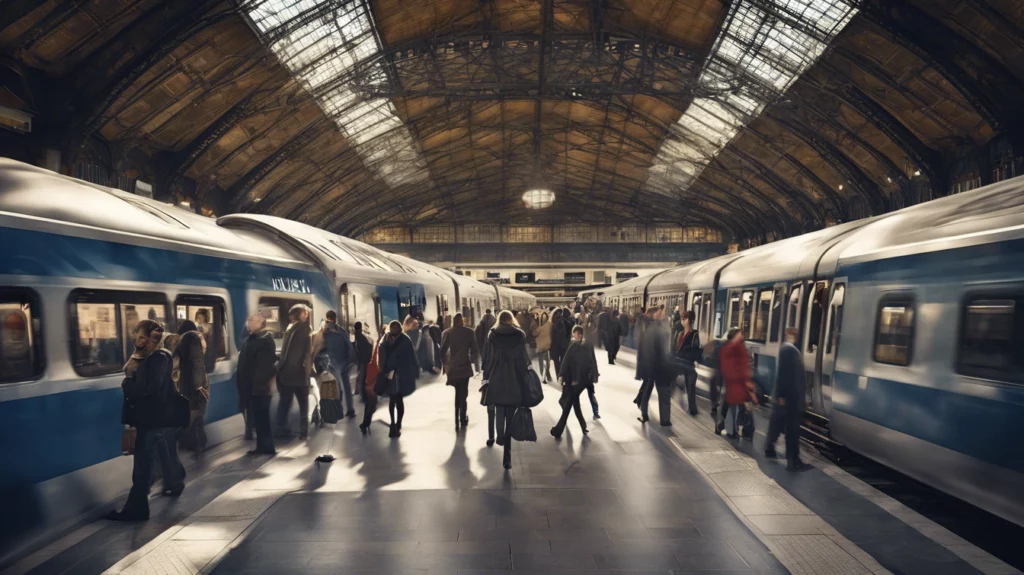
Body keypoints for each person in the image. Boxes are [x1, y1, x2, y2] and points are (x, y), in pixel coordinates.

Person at [108, 320, 185, 521]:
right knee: (149, 461)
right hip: (151, 419)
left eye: (142, 337)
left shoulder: (159, 358)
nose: (138, 340)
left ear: (152, 338)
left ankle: (137, 509)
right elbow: (133, 371)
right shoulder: (151, 358)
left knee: (143, 465)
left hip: (152, 419)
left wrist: (128, 385)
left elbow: (148, 388)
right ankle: (139, 505)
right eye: (138, 337)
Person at [483, 310, 530, 469]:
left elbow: (488, 359)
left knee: (499, 409)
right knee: (510, 415)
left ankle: (500, 436)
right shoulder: (520, 336)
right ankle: (507, 458)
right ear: (511, 320)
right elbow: (523, 360)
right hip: (514, 380)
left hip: (497, 379)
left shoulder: (492, 336)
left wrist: (486, 377)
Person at [766, 328, 811, 471]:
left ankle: (778, 452)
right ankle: (793, 461)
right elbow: (783, 375)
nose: (793, 337)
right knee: (791, 431)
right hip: (790, 398)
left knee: (782, 426)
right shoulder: (788, 351)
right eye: (792, 335)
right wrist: (782, 396)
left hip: (790, 398)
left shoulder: (788, 350)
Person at [237, 313, 277, 455]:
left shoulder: (264, 341)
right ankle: (262, 447)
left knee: (262, 419)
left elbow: (264, 368)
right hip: (253, 388)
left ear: (261, 323)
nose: (248, 323)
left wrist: (257, 387)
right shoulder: (253, 338)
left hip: (259, 389)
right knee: (259, 420)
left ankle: (267, 447)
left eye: (251, 321)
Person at [551, 325, 598, 438]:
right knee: (575, 403)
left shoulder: (577, 346)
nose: (576, 336)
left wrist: (563, 376)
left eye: (577, 334)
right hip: (579, 380)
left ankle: (558, 429)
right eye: (575, 334)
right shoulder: (583, 346)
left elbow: (567, 362)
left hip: (576, 380)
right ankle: (583, 426)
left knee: (568, 406)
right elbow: (591, 361)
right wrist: (594, 376)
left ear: (580, 334)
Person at [276, 304, 312, 439]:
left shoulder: (291, 329)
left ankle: (281, 428)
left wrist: (281, 368)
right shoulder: (303, 329)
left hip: (288, 374)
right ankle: (303, 432)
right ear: (296, 314)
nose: (306, 315)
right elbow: (304, 355)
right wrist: (306, 375)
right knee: (303, 404)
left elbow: (288, 352)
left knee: (285, 402)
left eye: (306, 313)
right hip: (299, 374)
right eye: (303, 313)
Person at [174, 320, 209, 458]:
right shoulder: (195, 339)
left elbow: (197, 363)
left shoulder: (191, 339)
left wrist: (197, 386)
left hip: (194, 385)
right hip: (194, 383)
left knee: (195, 414)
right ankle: (198, 444)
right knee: (196, 414)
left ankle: (198, 444)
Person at [440, 313, 480, 430]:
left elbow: (442, 351)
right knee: (464, 392)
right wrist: (474, 363)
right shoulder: (469, 332)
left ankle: (457, 415)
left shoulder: (447, 333)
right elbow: (475, 350)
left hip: (453, 367)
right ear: (462, 320)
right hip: (464, 366)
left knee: (457, 391)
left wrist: (445, 364)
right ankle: (463, 416)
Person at [381, 319, 419, 438]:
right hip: (397, 374)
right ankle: (396, 423)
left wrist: (383, 370)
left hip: (395, 374)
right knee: (397, 400)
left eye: (395, 328)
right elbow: (412, 356)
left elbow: (380, 357)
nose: (394, 330)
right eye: (393, 328)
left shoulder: (387, 340)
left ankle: (396, 423)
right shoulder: (404, 339)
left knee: (395, 399)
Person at [636, 306, 674, 426]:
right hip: (656, 367)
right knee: (660, 393)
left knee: (647, 390)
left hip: (650, 367)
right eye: (659, 312)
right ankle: (661, 419)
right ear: (655, 315)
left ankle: (644, 413)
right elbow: (662, 349)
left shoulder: (647, 327)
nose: (662, 314)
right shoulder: (654, 328)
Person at [322, 310, 356, 418]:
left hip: (334, 361)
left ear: (326, 317)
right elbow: (349, 344)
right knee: (346, 385)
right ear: (335, 318)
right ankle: (350, 409)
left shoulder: (325, 330)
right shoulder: (341, 330)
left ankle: (337, 410)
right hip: (346, 361)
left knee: (336, 386)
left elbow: (320, 345)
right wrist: (352, 359)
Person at [719, 328, 750, 439]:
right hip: (733, 383)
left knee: (731, 406)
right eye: (739, 334)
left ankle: (729, 428)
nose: (741, 336)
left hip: (735, 384)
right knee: (734, 407)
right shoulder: (730, 348)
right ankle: (732, 430)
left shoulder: (736, 346)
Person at [675, 311, 702, 416]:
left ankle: (692, 408)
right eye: (682, 318)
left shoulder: (694, 334)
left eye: (685, 318)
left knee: (690, 384)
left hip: (688, 363)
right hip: (679, 361)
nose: (683, 321)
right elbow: (676, 347)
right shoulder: (680, 333)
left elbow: (694, 348)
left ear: (690, 320)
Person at [359, 334, 380, 435]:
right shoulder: (384, 343)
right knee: (372, 403)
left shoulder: (380, 341)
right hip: (376, 374)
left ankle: (365, 424)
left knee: (371, 401)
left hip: (372, 372)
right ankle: (364, 424)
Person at [353, 321, 373, 398]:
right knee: (362, 376)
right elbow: (366, 347)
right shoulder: (360, 336)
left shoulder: (357, 336)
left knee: (360, 375)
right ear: (361, 328)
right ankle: (361, 393)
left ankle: (358, 391)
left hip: (360, 359)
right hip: (363, 359)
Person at [533, 312, 553, 383]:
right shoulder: (550, 324)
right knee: (546, 362)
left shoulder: (538, 326)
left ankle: (544, 376)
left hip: (541, 346)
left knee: (542, 362)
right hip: (545, 346)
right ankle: (546, 375)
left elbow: (534, 334)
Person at [550, 309, 567, 375]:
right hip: (562, 345)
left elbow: (553, 335)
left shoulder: (555, 323)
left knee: (557, 362)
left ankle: (559, 375)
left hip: (556, 345)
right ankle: (561, 375)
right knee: (561, 361)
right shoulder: (563, 321)